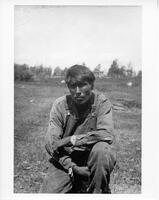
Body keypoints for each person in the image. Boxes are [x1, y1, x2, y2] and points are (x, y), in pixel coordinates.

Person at [39, 64, 116, 193]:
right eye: (73, 86)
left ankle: (98, 190)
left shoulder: (102, 102)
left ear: (92, 85)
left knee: (102, 150)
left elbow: (106, 134)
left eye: (83, 84)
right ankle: (76, 181)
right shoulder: (60, 105)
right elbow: (52, 143)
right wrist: (73, 167)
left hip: (93, 157)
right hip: (66, 157)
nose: (78, 91)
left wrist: (72, 139)